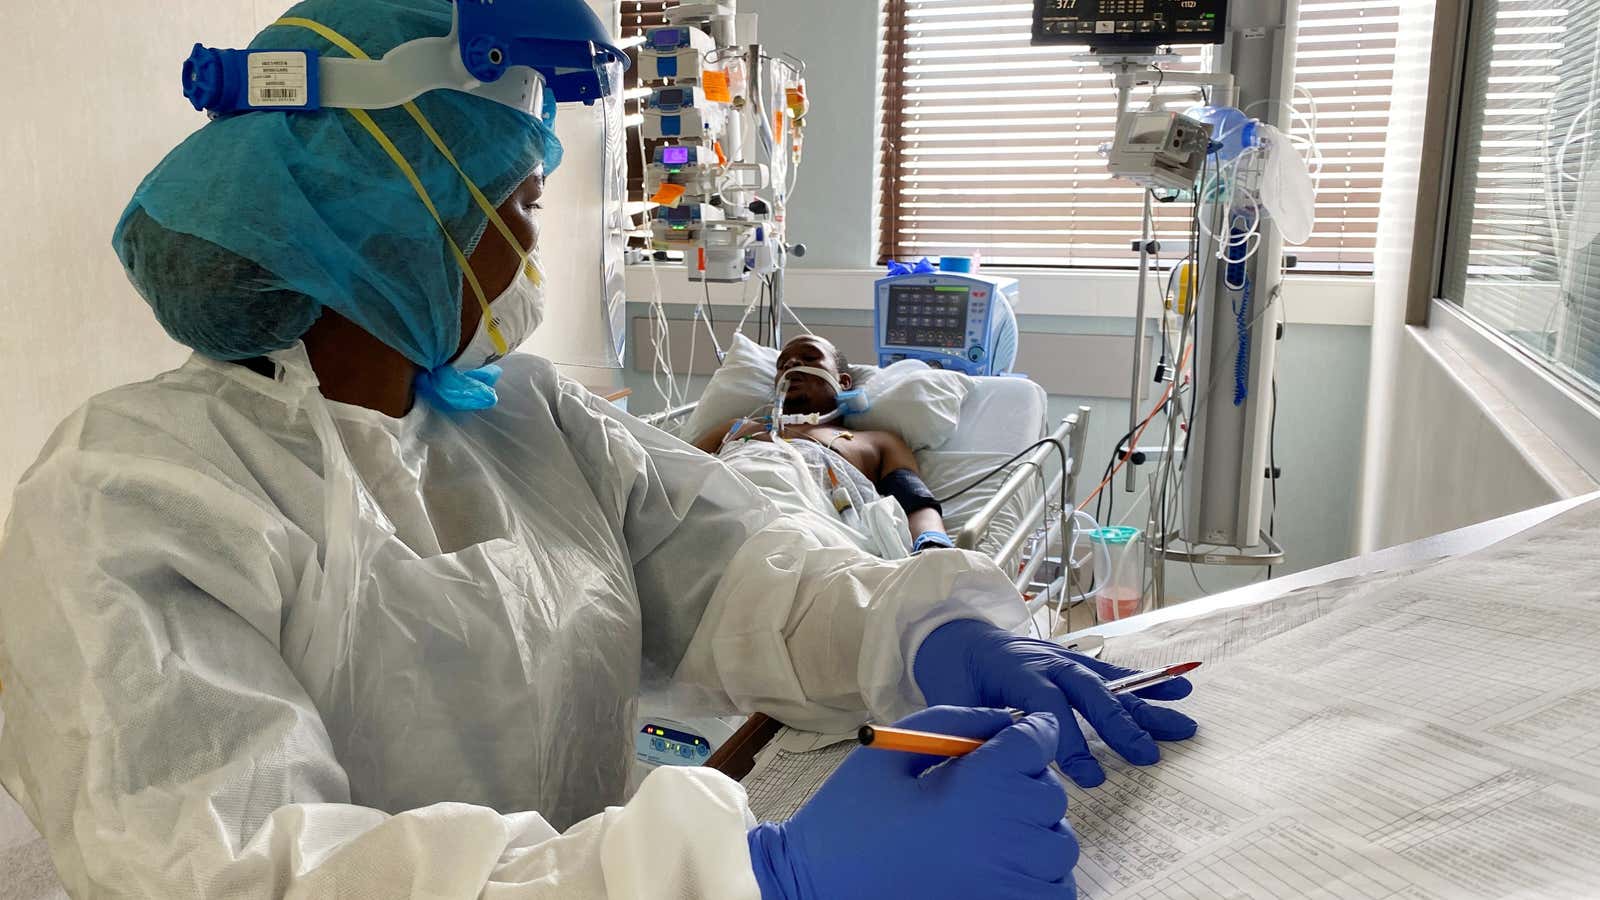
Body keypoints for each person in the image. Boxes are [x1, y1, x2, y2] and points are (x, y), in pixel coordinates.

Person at [0, 2, 1198, 897]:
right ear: (390, 221)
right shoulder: (131, 504)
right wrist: (747, 877)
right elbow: (246, 874)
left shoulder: (522, 415)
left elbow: (731, 561)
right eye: (515, 204)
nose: (533, 248)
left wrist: (916, 626)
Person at [693, 334, 956, 554]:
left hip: (801, 529)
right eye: (782, 364)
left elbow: (916, 502)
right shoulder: (737, 427)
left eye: (809, 358)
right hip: (717, 512)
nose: (792, 364)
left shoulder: (875, 442)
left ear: (843, 382)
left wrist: (932, 544)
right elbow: (677, 467)